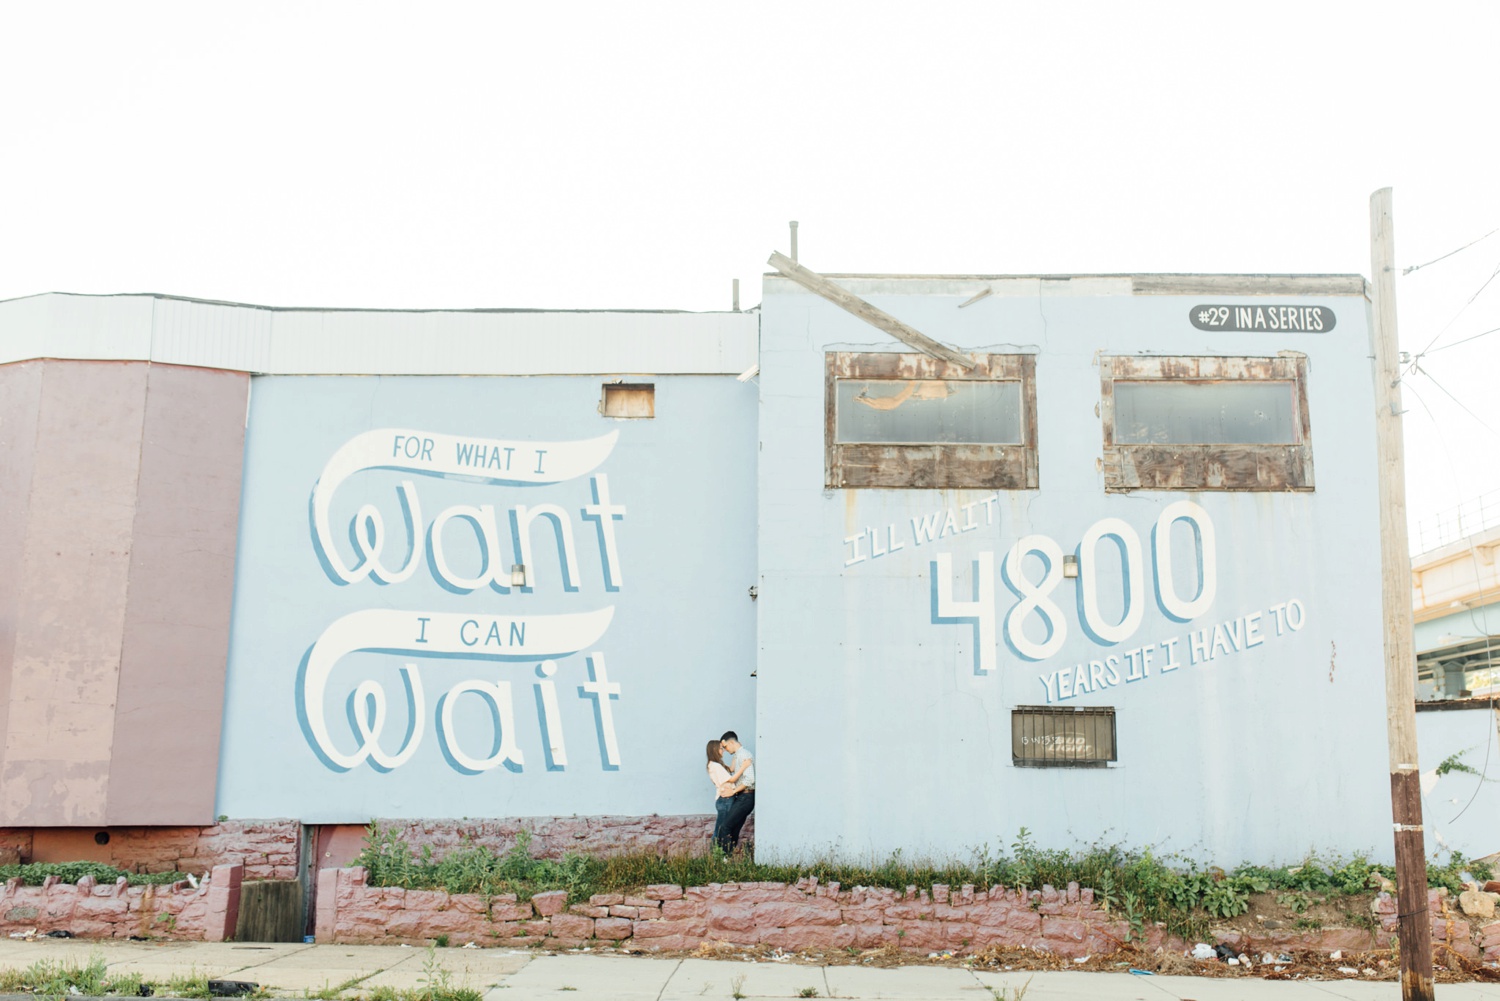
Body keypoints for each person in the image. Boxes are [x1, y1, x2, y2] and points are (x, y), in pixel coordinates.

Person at [705, 739, 749, 852]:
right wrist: (744, 766)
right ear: (714, 749)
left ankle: (722, 854)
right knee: (720, 830)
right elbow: (732, 778)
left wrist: (736, 753)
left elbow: (731, 769)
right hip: (725, 800)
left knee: (725, 828)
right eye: (721, 748)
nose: (723, 750)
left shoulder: (718, 764)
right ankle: (715, 855)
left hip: (727, 799)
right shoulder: (714, 765)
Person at [719, 730, 755, 848]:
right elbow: (732, 771)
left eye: (725, 746)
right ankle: (728, 858)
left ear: (731, 742)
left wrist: (733, 791)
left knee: (725, 827)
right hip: (742, 797)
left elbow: (750, 779)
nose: (725, 750)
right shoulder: (738, 755)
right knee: (733, 829)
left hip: (746, 796)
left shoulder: (744, 755)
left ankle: (724, 858)